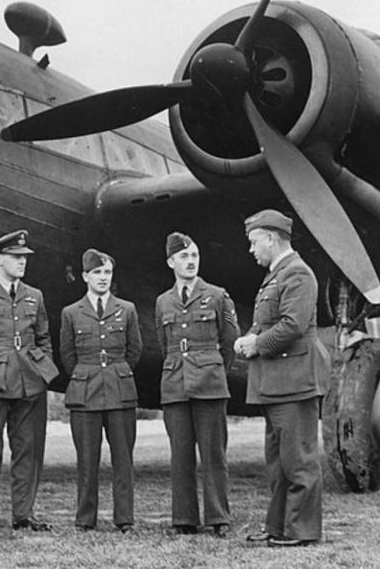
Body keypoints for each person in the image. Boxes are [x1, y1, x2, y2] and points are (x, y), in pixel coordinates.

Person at [234, 210, 331, 548]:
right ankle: (277, 527)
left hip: (293, 382)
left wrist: (257, 344)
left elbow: (292, 325)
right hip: (277, 383)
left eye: (254, 242)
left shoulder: (297, 274)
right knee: (278, 463)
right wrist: (250, 337)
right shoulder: (279, 275)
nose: (251, 249)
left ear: (271, 238)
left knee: (298, 461)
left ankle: (301, 530)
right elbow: (271, 321)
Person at [0, 229, 59, 536]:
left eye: (24, 257)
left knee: (29, 450)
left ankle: (24, 514)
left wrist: (42, 370)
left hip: (30, 382)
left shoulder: (35, 295)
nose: (22, 262)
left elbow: (43, 338)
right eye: (16, 257)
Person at [155, 232, 239, 537]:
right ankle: (184, 518)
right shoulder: (163, 301)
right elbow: (164, 343)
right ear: (171, 262)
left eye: (194, 256)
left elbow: (229, 341)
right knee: (180, 455)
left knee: (213, 454)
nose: (190, 262)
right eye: (184, 257)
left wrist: (212, 369)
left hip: (209, 384)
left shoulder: (217, 296)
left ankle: (218, 518)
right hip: (175, 384)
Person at [60, 249, 142, 533]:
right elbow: (67, 355)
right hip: (85, 393)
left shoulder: (127, 309)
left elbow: (135, 350)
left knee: (123, 458)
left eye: (107, 272)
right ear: (85, 276)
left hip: (120, 391)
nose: (103, 277)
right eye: (97, 272)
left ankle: (124, 518)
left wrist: (116, 372)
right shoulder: (71, 312)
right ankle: (85, 518)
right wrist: (89, 373)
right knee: (86, 459)